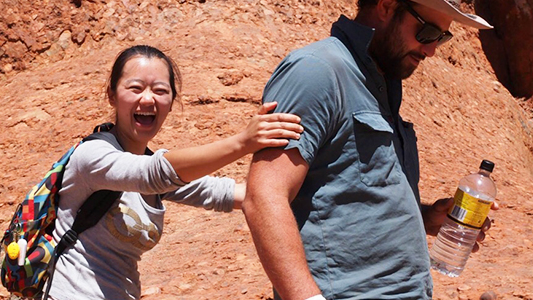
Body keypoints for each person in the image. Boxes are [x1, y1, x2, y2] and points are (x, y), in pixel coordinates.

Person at [241, 0, 498, 299]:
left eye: (442, 38)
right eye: (427, 33)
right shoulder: (317, 71)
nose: (431, 50)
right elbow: (263, 196)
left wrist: (426, 218)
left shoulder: (380, 82)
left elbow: (348, 192)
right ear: (387, 7)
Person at [45, 45, 304, 300]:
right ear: (111, 95)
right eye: (135, 88)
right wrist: (243, 143)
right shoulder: (93, 157)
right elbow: (153, 174)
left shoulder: (150, 166)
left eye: (160, 91)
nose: (148, 99)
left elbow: (229, 194)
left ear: (171, 102)